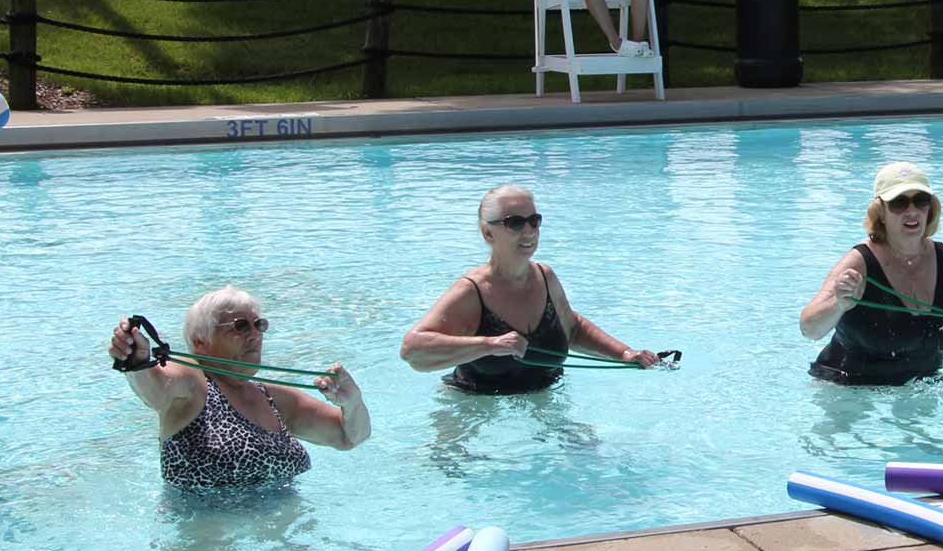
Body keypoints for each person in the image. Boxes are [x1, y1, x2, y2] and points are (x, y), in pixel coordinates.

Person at [401, 184, 665, 393]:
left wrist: (625, 354)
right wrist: (490, 344)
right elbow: (412, 350)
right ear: (487, 233)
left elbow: (572, 328)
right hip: (474, 399)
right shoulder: (471, 291)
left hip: (545, 395)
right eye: (514, 223)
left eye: (534, 221)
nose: (528, 231)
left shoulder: (545, 277)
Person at [107, 287, 369, 488]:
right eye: (240, 326)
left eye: (259, 325)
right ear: (200, 342)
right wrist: (136, 361)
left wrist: (352, 402)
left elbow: (350, 437)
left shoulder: (273, 399)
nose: (255, 334)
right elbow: (156, 387)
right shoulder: (194, 383)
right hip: (207, 545)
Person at [800, 162, 943, 385]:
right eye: (899, 202)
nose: (912, 211)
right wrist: (838, 304)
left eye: (921, 201)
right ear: (881, 212)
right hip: (847, 383)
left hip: (923, 384)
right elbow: (809, 329)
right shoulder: (859, 262)